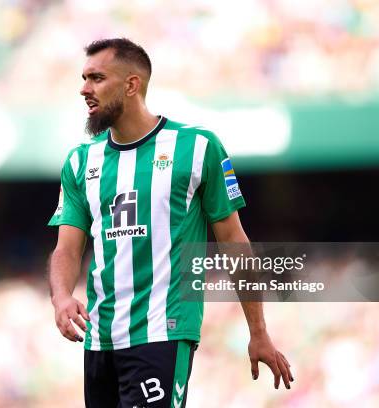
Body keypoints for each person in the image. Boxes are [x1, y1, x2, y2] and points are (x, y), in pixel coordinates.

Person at [47, 38, 293, 408]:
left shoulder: (196, 148)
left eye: (96, 78)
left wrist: (258, 332)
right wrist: (62, 296)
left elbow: (234, 242)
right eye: (83, 78)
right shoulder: (80, 162)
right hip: (99, 340)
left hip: (163, 331)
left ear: (131, 85)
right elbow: (67, 247)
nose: (84, 89)